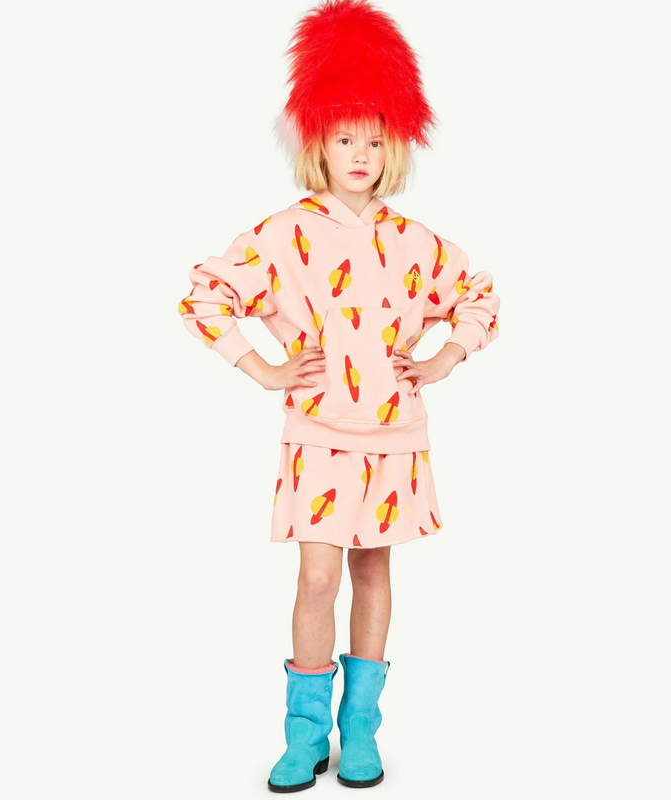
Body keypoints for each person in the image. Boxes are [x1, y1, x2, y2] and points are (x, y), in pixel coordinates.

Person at [177, 0, 500, 791]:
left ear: (397, 146)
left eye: (375, 139)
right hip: (319, 432)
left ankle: (361, 731)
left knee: (374, 574)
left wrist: (445, 356)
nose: (361, 153)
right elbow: (205, 295)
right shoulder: (285, 234)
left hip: (394, 436)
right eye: (345, 137)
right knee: (318, 577)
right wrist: (263, 369)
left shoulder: (414, 242)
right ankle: (304, 732)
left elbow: (479, 295)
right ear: (316, 142)